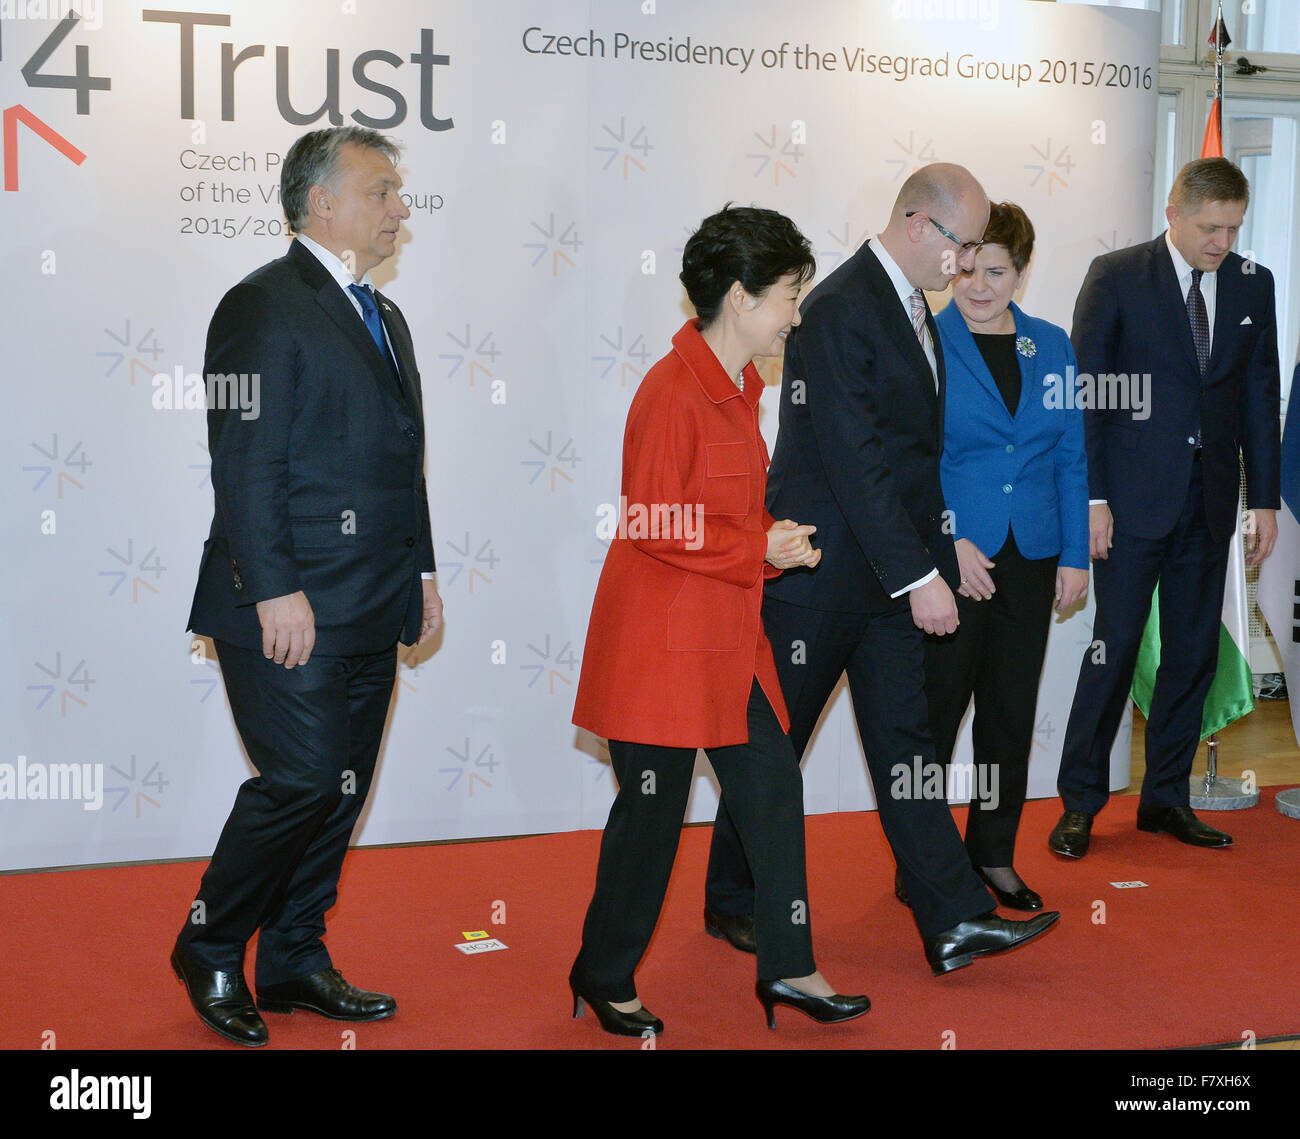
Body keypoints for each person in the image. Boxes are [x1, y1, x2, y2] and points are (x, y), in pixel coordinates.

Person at [704, 165, 1060, 975]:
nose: (967, 265)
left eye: (976, 250)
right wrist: (921, 576)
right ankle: (729, 899)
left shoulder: (912, 310)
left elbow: (913, 463)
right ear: (917, 225)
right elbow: (856, 463)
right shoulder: (840, 307)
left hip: (885, 583)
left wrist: (934, 559)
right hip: (820, 578)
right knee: (773, 747)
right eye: (962, 245)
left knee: (906, 744)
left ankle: (954, 918)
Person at [569, 205, 870, 1036]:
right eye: (788, 295)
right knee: (652, 820)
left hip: (727, 639)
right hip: (659, 647)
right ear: (739, 298)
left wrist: (769, 543)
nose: (798, 313)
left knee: (773, 795)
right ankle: (601, 974)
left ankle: (792, 966)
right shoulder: (672, 389)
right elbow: (650, 524)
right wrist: (758, 545)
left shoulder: (739, 385)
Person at [173, 126, 443, 1046]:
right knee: (297, 779)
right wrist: (272, 587)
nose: (400, 209)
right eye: (383, 191)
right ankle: (209, 944)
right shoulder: (258, 306)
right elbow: (242, 463)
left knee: (339, 787)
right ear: (321, 202)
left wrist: (423, 572)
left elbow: (405, 464)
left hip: (375, 600)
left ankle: (292, 955)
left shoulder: (386, 316)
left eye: (401, 194)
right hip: (285, 607)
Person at [1048, 157, 1279, 859]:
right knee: (1111, 652)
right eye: (1210, 226)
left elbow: (1259, 395)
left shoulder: (1252, 283)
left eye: (1233, 227)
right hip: (1130, 504)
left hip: (1209, 507)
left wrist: (1262, 501)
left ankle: (1166, 799)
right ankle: (1080, 802)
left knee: (1191, 656)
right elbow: (1085, 394)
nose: (1222, 240)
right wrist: (1091, 497)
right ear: (1174, 213)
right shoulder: (1117, 275)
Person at [923, 201, 1089, 911]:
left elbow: (1071, 453)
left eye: (996, 271)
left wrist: (1076, 553)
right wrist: (946, 539)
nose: (978, 285)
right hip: (956, 557)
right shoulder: (926, 340)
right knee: (934, 716)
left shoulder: (1051, 345)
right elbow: (912, 459)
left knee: (1008, 715)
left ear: (1021, 272)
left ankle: (992, 854)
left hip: (1032, 552)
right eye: (967, 268)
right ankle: (924, 861)